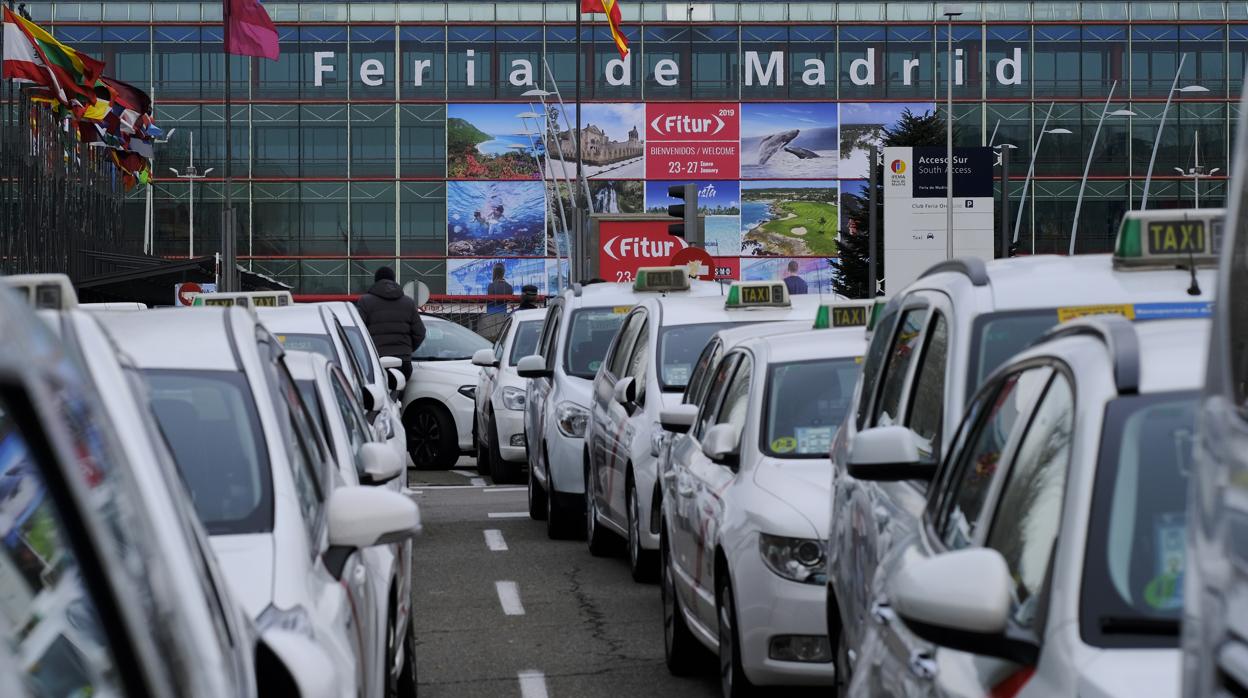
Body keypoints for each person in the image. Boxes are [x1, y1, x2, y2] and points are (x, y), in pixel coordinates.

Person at [357, 266, 425, 380]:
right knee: (399, 396)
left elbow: (358, 332)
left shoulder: (365, 301)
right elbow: (420, 333)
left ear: (376, 280)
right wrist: (407, 349)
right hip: (403, 362)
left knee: (379, 396)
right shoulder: (408, 302)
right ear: (394, 280)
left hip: (377, 361)